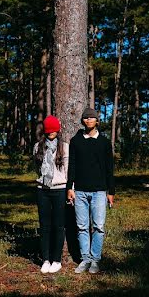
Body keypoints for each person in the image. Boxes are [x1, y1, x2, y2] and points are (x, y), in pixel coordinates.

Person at [66, 107, 115, 274]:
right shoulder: (76, 141)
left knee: (99, 227)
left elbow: (110, 168)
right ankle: (85, 259)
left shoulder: (104, 142)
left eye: (91, 118)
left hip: (100, 192)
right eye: (86, 118)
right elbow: (71, 165)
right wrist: (69, 188)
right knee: (82, 227)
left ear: (97, 121)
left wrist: (111, 192)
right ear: (83, 121)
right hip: (79, 191)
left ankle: (95, 260)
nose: (88, 120)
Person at [33, 115, 68, 273]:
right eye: (49, 130)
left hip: (60, 189)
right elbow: (37, 169)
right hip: (43, 190)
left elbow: (68, 171)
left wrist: (69, 189)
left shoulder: (65, 147)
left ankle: (57, 260)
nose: (52, 132)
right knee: (45, 226)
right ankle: (45, 259)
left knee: (58, 226)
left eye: (54, 129)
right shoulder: (37, 147)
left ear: (58, 130)